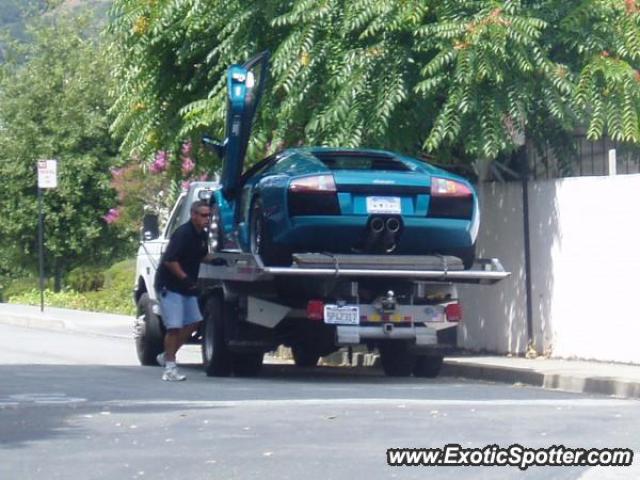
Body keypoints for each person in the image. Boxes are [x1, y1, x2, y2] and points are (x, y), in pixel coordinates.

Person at [154, 200, 211, 381]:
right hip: (170, 286)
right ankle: (170, 369)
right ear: (193, 215)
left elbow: (201, 255)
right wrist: (185, 279)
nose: (207, 219)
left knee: (194, 322)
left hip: (186, 288)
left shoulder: (201, 235)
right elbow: (170, 261)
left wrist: (218, 259)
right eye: (203, 215)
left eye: (209, 215)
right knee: (174, 327)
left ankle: (166, 356)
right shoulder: (183, 234)